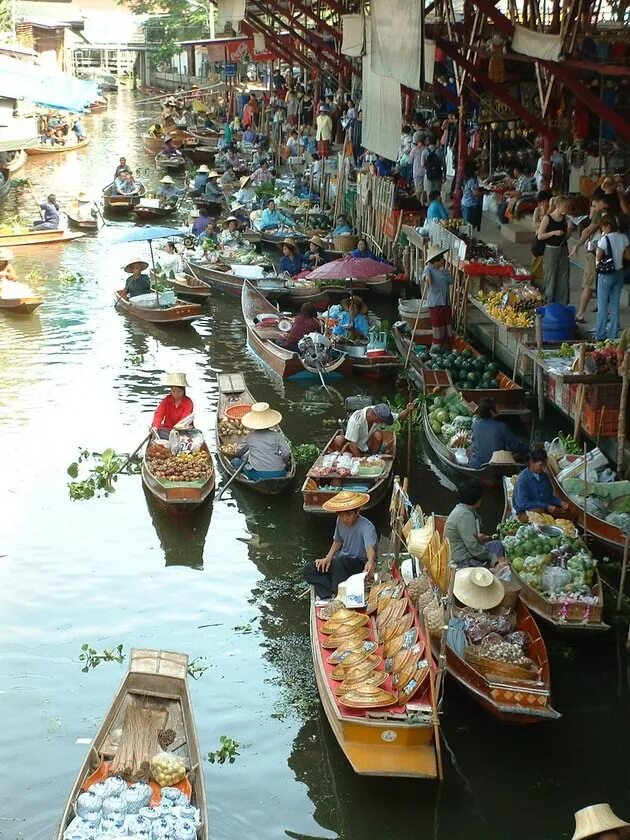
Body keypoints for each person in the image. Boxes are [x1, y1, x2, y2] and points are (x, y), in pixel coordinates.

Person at [302, 491, 378, 600]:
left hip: (358, 564)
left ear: (357, 512)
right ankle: (328, 594)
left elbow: (370, 548)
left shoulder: (367, 527)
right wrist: (328, 558)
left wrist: (370, 561)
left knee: (339, 560)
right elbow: (337, 541)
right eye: (341, 516)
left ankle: (339, 595)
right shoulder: (340, 521)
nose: (345, 519)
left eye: (349, 515)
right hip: (341, 565)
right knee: (309, 569)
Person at [444, 479, 508, 568]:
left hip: (465, 550)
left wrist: (477, 538)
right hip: (462, 558)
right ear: (478, 499)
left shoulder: (461, 509)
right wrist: (494, 558)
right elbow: (473, 547)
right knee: (495, 563)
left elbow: (467, 537)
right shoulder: (465, 515)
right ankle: (496, 567)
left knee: (497, 544)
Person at [571, 195, 611, 323]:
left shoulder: (600, 214)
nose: (592, 208)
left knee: (588, 284)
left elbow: (588, 231)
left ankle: (581, 313)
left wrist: (576, 245)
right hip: (607, 254)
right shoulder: (613, 215)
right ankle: (604, 313)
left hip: (594, 251)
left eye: (594, 205)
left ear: (601, 202)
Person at [230, 402, 291, 481]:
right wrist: (284, 462)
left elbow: (239, 452)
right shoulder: (277, 435)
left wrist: (236, 451)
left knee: (236, 461)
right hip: (280, 472)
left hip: (258, 475)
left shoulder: (250, 436)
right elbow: (286, 453)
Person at [594, 214, 630, 340]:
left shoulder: (605, 239)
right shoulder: (623, 238)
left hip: (605, 274)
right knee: (615, 304)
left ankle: (600, 333)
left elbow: (598, 256)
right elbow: (627, 256)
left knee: (602, 304)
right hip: (619, 272)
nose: (602, 229)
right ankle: (613, 333)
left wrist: (598, 266)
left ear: (608, 226)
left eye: (603, 226)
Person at [333, 402, 412, 456]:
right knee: (338, 440)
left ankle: (372, 456)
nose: (382, 423)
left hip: (367, 445)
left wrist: (408, 410)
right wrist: (361, 461)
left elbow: (399, 417)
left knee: (378, 434)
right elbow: (352, 445)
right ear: (377, 418)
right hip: (353, 447)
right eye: (382, 421)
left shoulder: (378, 412)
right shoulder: (356, 421)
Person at [469, 398, 528, 468]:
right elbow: (515, 445)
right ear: (491, 411)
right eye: (495, 407)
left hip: (477, 465)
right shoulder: (501, 427)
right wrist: (527, 449)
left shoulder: (475, 425)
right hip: (495, 465)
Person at [512, 449, 569, 518]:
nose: (543, 468)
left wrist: (560, 502)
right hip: (525, 511)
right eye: (540, 465)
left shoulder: (544, 476)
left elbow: (549, 496)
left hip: (544, 508)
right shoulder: (522, 480)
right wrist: (546, 506)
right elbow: (523, 503)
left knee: (569, 513)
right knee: (539, 511)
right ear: (531, 462)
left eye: (544, 465)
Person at [538, 195, 573, 304]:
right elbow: (540, 235)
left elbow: (565, 237)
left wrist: (569, 230)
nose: (567, 208)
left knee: (563, 277)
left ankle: (562, 303)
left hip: (563, 249)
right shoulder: (547, 218)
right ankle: (549, 301)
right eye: (565, 206)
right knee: (551, 277)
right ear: (558, 206)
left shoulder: (565, 219)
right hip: (551, 249)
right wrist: (553, 233)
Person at [423, 245, 453, 348]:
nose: (443, 261)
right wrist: (427, 278)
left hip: (445, 302)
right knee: (437, 328)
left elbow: (450, 281)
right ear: (436, 261)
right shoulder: (429, 268)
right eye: (441, 260)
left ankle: (447, 346)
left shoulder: (444, 271)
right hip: (435, 303)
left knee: (447, 326)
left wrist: (444, 272)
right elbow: (425, 276)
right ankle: (436, 348)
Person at [152, 372, 194, 439]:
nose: (176, 394)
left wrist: (177, 429)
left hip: (183, 432)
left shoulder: (188, 402)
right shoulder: (166, 401)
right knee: (158, 433)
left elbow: (185, 419)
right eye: (173, 391)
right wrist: (155, 426)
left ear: (183, 391)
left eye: (179, 392)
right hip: (167, 430)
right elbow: (159, 414)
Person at [530, 190, 552, 280]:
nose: (544, 203)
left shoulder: (552, 210)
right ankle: (532, 276)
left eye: (545, 201)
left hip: (549, 237)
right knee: (537, 258)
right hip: (539, 237)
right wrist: (543, 222)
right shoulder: (537, 210)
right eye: (542, 202)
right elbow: (534, 223)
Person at [460, 161, 484, 231]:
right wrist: (484, 193)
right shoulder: (473, 180)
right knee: (469, 227)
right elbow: (475, 193)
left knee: (465, 225)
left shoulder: (465, 178)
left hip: (464, 202)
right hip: (470, 205)